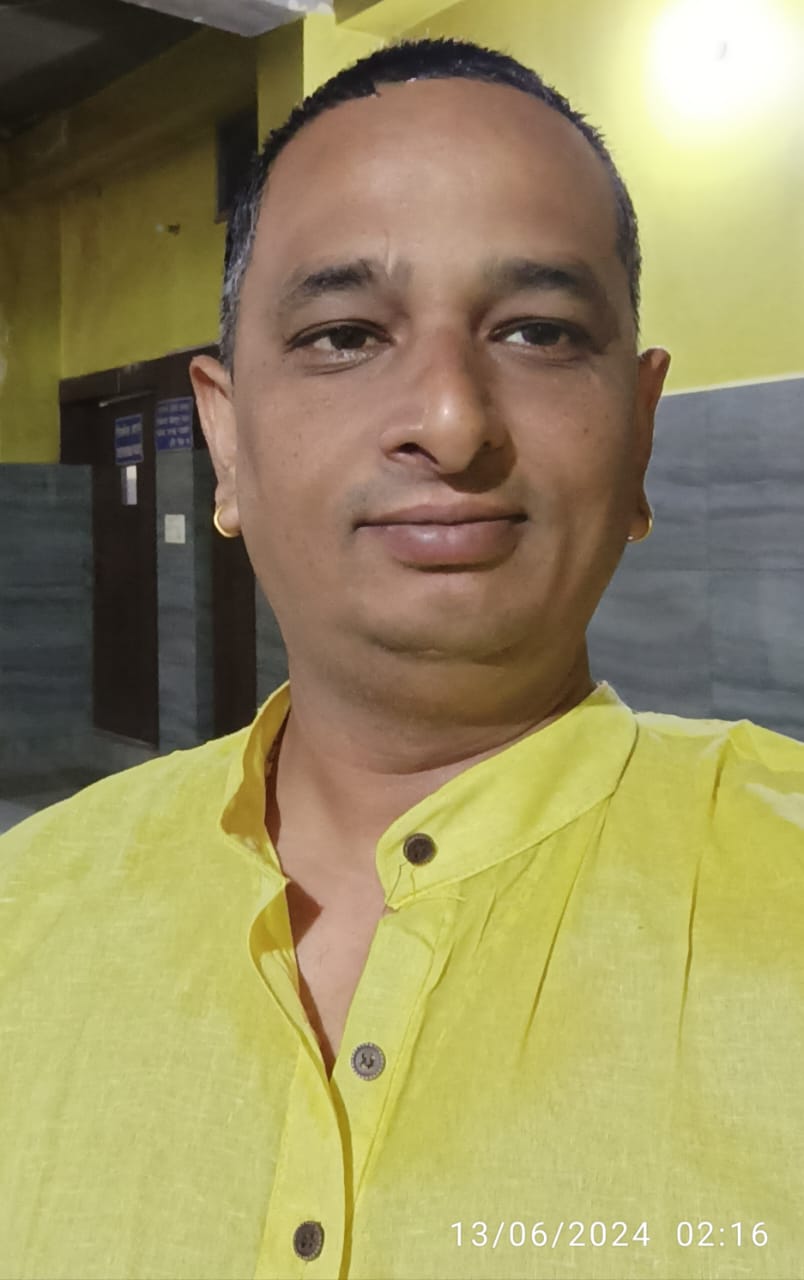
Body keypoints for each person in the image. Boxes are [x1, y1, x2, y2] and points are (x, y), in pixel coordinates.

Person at [1, 35, 802, 1280]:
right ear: (226, 438)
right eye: (343, 335)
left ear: (640, 433)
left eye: (538, 331)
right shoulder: (26, 911)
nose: (450, 418)